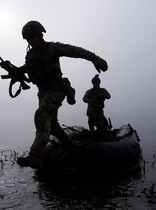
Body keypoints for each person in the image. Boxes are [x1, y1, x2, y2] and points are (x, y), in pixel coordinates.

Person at [16, 20, 108, 168]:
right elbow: (30, 67)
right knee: (52, 125)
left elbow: (73, 50)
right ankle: (68, 145)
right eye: (28, 40)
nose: (30, 42)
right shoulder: (32, 54)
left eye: (32, 38)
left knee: (42, 114)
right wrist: (17, 70)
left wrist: (94, 58)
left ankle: (35, 155)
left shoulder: (53, 48)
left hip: (57, 91)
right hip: (43, 93)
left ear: (40, 35)